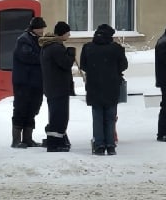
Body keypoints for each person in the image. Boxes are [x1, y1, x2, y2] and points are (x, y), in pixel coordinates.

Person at [78, 23, 128, 156]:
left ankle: (99, 145)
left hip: (94, 86)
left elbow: (83, 65)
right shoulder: (116, 48)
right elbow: (124, 65)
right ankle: (110, 145)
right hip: (111, 86)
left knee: (97, 117)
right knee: (110, 117)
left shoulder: (88, 48)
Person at [39, 21, 77, 151]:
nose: (69, 35)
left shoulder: (48, 46)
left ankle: (56, 140)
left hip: (52, 86)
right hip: (58, 87)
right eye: (68, 33)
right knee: (60, 116)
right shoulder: (56, 48)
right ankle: (55, 143)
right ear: (62, 33)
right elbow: (65, 64)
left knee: (56, 114)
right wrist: (71, 53)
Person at [11, 15, 46, 148]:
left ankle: (27, 139)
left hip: (36, 82)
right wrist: (44, 56)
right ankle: (16, 140)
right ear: (33, 29)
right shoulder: (24, 40)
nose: (42, 31)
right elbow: (28, 57)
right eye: (40, 28)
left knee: (33, 109)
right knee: (21, 109)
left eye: (42, 28)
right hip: (24, 82)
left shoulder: (37, 40)